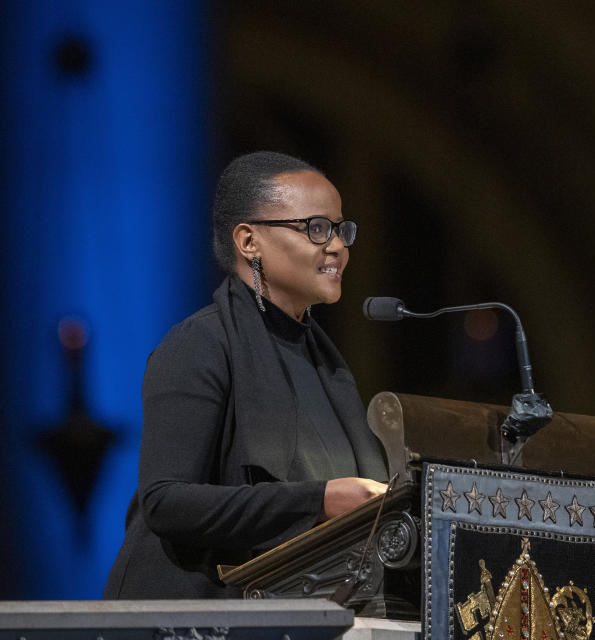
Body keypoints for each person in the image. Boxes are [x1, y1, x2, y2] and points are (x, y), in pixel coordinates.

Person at [104, 151, 388, 598]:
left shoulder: (327, 364)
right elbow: (165, 501)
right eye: (315, 228)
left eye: (340, 229)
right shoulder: (199, 345)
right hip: (188, 617)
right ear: (248, 241)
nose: (337, 246)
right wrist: (319, 500)